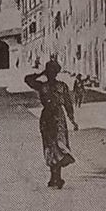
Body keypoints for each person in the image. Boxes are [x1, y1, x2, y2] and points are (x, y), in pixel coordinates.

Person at [25, 60, 78, 189]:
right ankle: (55, 178)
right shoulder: (43, 86)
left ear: (56, 72)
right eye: (49, 71)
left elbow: (68, 103)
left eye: (52, 71)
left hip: (57, 117)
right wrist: (41, 73)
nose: (51, 74)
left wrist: (72, 119)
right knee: (50, 146)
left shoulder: (59, 86)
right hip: (48, 117)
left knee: (57, 146)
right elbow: (27, 79)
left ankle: (56, 178)